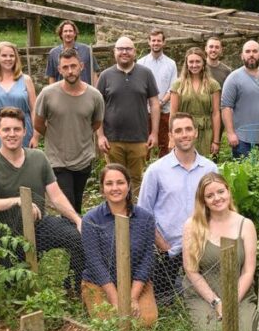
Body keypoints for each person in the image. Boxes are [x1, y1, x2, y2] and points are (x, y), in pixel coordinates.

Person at [0, 108, 84, 286]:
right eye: (6, 129)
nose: (12, 134)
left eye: (17, 129)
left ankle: (73, 286)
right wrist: (19, 201)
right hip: (9, 237)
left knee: (80, 237)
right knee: (15, 287)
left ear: (25, 131)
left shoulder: (38, 158)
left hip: (41, 227)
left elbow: (56, 197)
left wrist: (77, 220)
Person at [138, 114, 218, 304]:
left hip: (202, 248)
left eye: (188, 129)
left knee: (201, 299)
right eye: (179, 131)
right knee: (165, 303)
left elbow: (217, 209)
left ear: (196, 133)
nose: (184, 134)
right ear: (171, 136)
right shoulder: (156, 171)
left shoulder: (210, 169)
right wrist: (163, 246)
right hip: (167, 251)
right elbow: (143, 213)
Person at [80, 163, 158, 327]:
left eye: (120, 182)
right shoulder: (91, 219)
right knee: (111, 325)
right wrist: (116, 300)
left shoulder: (145, 218)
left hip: (135, 284)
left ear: (129, 185)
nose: (115, 188)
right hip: (99, 283)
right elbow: (95, 262)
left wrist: (132, 298)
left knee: (146, 322)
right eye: (109, 184)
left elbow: (147, 259)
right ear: (102, 189)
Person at [182, 172, 257, 331]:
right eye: (210, 195)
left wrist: (231, 302)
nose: (217, 198)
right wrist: (216, 302)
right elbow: (191, 270)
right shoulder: (192, 225)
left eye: (220, 192)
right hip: (204, 296)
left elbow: (248, 271)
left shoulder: (245, 225)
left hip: (239, 294)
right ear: (204, 201)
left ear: (228, 191)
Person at [34, 47, 105, 214]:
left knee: (77, 203)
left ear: (82, 66)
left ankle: (74, 236)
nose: (70, 71)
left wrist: (79, 134)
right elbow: (38, 123)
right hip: (58, 160)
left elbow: (96, 123)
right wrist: (56, 136)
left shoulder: (95, 96)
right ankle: (73, 238)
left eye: (73, 66)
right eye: (65, 67)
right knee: (68, 207)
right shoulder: (47, 94)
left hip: (83, 158)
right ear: (59, 70)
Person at [96, 36, 160, 192]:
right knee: (114, 180)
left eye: (128, 49)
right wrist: (100, 136)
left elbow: (154, 104)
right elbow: (98, 107)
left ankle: (133, 213)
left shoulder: (146, 74)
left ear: (135, 52)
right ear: (114, 52)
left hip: (139, 139)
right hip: (112, 140)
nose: (124, 52)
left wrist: (154, 133)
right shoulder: (105, 76)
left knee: (136, 180)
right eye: (120, 49)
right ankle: (117, 214)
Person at [221, 40, 259, 158]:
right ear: (242, 55)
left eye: (255, 51)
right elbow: (226, 107)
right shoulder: (233, 78)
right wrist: (230, 133)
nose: (251, 54)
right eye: (247, 51)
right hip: (242, 140)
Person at [0, 41, 37, 152]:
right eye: (4, 55)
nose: (8, 59)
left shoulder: (26, 80)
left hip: (23, 131)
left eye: (12, 56)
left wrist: (35, 136)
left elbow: (34, 109)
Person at [170, 47, 221, 157]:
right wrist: (171, 138)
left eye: (198, 61)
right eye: (191, 62)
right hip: (184, 131)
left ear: (203, 63)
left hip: (206, 131)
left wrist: (216, 141)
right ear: (186, 64)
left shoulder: (213, 85)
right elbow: (173, 114)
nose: (194, 65)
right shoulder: (178, 85)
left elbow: (216, 113)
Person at [137, 29, 178, 156]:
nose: (156, 43)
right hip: (146, 111)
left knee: (164, 147)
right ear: (149, 42)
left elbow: (173, 88)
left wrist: (160, 102)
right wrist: (152, 104)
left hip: (164, 110)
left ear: (164, 42)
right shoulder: (140, 63)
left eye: (159, 40)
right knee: (144, 147)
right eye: (153, 40)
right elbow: (139, 87)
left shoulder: (171, 64)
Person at [45, 20, 99, 85]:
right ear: (61, 34)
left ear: (75, 33)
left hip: (84, 92)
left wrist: (96, 91)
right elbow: (51, 76)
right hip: (62, 93)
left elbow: (94, 73)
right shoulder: (53, 53)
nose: (68, 34)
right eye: (65, 31)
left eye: (70, 31)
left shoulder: (87, 50)